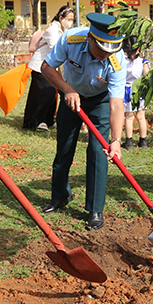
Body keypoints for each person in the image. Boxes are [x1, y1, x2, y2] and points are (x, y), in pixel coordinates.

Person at [40, 12, 126, 231]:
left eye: (110, 51)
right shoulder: (70, 39)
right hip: (71, 96)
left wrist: (116, 140)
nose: (105, 55)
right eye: (101, 50)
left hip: (100, 101)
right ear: (90, 38)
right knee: (65, 148)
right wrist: (67, 90)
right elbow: (46, 67)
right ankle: (60, 196)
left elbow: (116, 105)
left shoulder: (117, 60)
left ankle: (95, 209)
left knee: (99, 152)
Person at [22, 5, 74, 130]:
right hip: (40, 66)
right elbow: (55, 48)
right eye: (69, 19)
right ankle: (37, 121)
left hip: (51, 67)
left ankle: (48, 120)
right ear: (61, 18)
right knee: (44, 92)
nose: (70, 22)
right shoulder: (52, 30)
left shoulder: (64, 31)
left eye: (72, 19)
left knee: (52, 93)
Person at [122, 35, 150, 149]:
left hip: (127, 90)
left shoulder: (123, 62)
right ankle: (143, 141)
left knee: (129, 117)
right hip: (140, 91)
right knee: (141, 116)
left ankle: (129, 142)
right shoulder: (143, 62)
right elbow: (147, 77)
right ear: (139, 48)